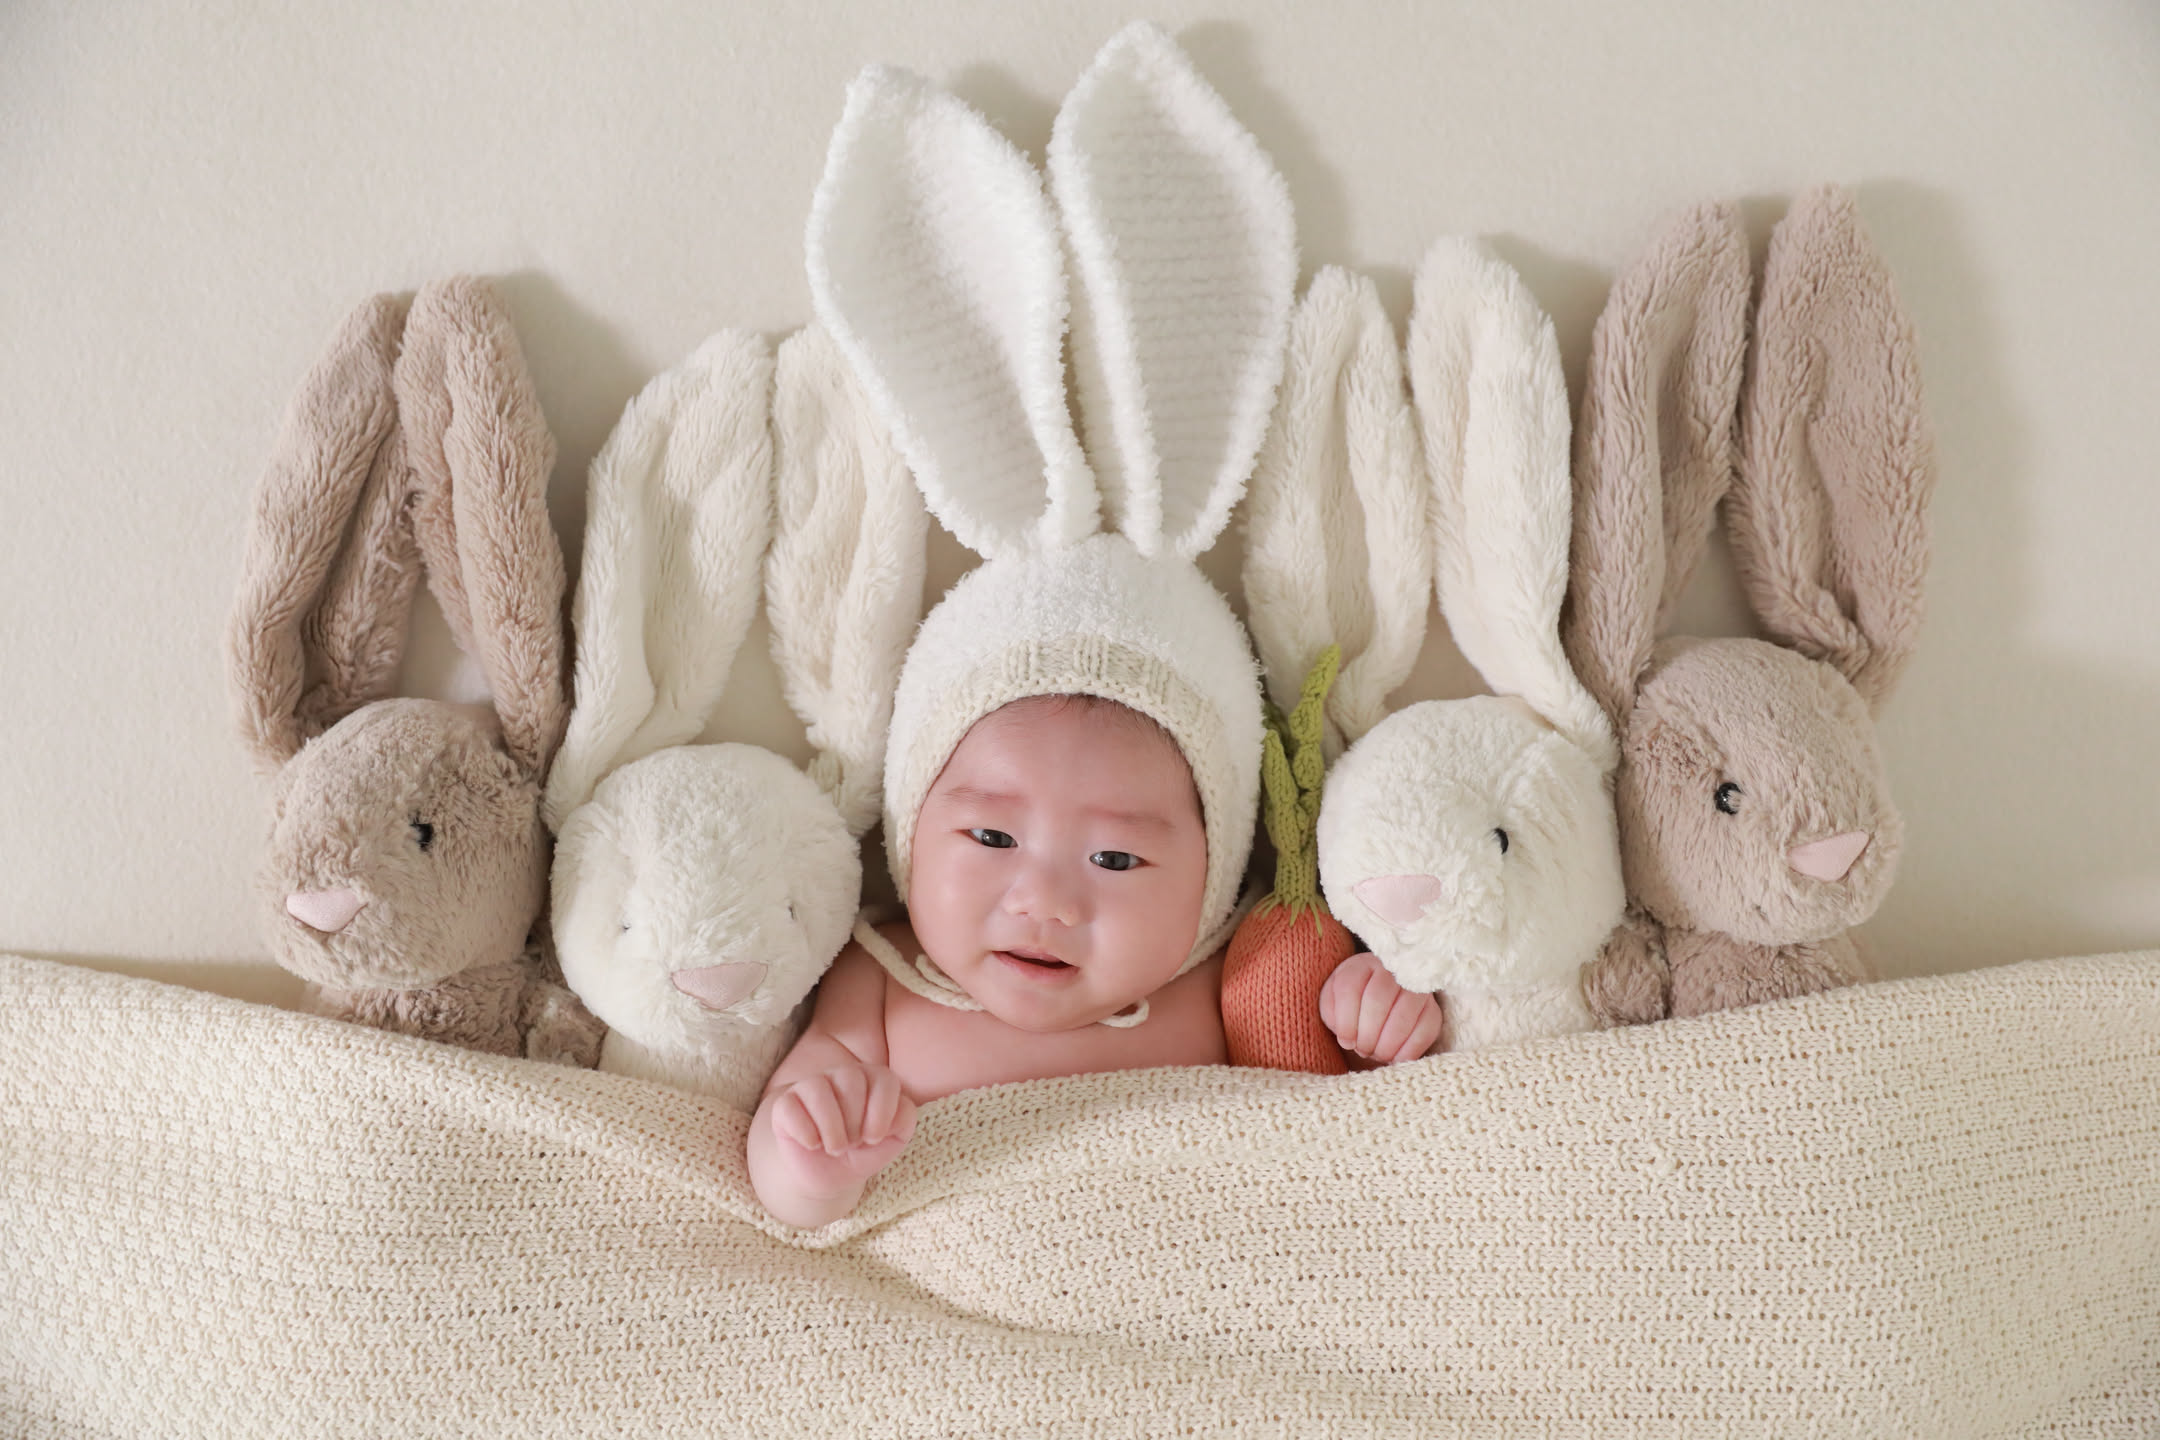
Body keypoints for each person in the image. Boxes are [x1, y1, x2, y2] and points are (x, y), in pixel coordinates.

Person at [747, 682, 1442, 1230]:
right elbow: (783, 1151)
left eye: (1114, 859)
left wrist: (1370, 1025)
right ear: (910, 837)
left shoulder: (1238, 970)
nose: (1045, 903)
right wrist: (812, 1164)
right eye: (993, 838)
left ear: (1210, 880)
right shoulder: (882, 973)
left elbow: (1329, 1126)